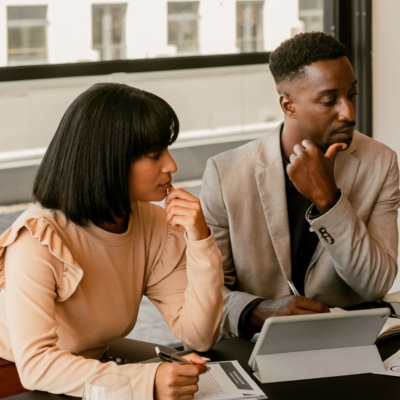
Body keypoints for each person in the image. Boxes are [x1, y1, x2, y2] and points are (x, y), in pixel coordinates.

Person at [0, 83, 224, 399]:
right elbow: (36, 366)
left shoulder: (153, 223)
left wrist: (200, 239)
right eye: (155, 154)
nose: (171, 165)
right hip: (16, 379)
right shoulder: (38, 240)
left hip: (89, 369)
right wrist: (148, 380)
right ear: (108, 160)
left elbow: (199, 335)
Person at [200, 31, 400, 340]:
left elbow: (375, 283)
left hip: (351, 341)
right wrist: (258, 309)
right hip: (256, 346)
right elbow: (206, 295)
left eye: (352, 95)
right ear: (288, 105)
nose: (349, 113)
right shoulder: (225, 173)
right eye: (329, 100)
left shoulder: (380, 163)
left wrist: (328, 200)